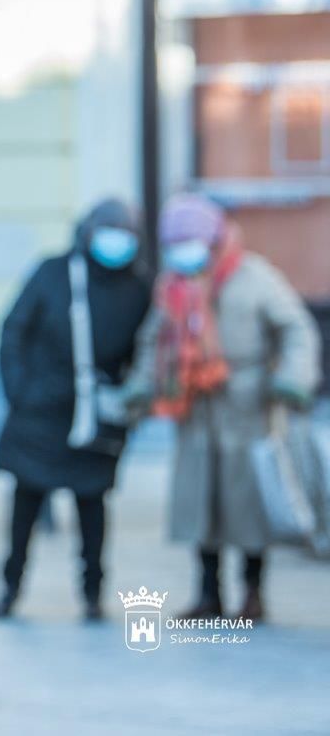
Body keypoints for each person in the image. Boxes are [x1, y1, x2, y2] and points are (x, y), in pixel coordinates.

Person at [126, 194, 320, 622]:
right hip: (196, 409)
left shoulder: (254, 278)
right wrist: (141, 386)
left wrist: (293, 378)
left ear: (213, 240)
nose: (183, 252)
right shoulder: (173, 288)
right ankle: (207, 594)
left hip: (246, 407)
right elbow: (153, 344)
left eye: (190, 242)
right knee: (202, 505)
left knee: (247, 506)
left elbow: (296, 331)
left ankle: (253, 594)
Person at [0, 199, 152, 622]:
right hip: (40, 414)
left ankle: (93, 592)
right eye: (109, 230)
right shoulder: (53, 273)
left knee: (92, 506)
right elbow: (13, 331)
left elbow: (145, 350)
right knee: (26, 505)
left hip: (96, 419)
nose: (117, 240)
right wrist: (20, 391)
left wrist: (130, 399)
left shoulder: (138, 289)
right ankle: (10, 587)